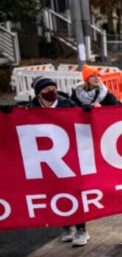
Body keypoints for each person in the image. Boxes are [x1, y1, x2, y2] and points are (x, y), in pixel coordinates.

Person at [27, 76, 93, 246]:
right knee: (56, 191)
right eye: (46, 89)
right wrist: (7, 114)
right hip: (47, 158)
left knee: (74, 190)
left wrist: (86, 111)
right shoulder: (32, 108)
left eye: (52, 87)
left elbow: (84, 123)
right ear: (39, 94)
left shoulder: (68, 104)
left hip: (70, 155)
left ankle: (81, 229)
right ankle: (66, 226)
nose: (51, 92)